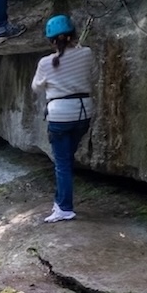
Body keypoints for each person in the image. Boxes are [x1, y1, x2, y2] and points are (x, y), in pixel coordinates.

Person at [31, 14, 95, 222]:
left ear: (51, 41)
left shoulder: (46, 62)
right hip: (83, 113)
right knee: (67, 159)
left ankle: (64, 207)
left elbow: (36, 87)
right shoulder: (86, 53)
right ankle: (60, 201)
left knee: (63, 163)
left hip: (60, 116)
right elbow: (91, 74)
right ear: (73, 35)